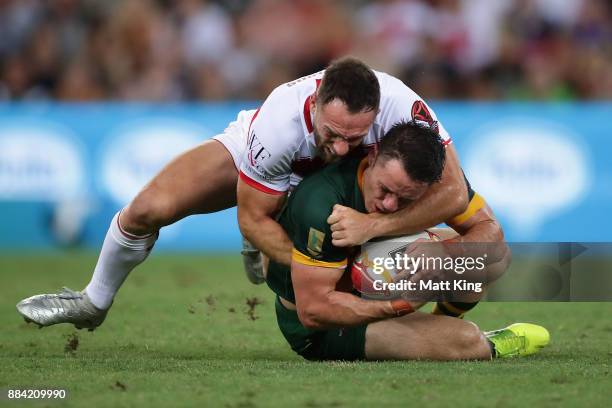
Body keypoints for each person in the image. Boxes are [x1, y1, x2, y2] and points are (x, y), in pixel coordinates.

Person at [17, 57, 469, 330]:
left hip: (354, 187)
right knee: (148, 209)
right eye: (332, 133)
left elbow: (453, 192)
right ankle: (93, 301)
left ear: (377, 115)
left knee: (481, 239)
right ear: (314, 107)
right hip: (270, 169)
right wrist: (324, 267)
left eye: (356, 137)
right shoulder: (278, 125)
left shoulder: (403, 108)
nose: (342, 147)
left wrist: (377, 225)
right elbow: (252, 216)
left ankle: (451, 315)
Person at [266, 120, 549, 361]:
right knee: (467, 341)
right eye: (385, 190)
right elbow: (314, 313)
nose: (390, 204)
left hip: (380, 273)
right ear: (373, 157)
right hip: (322, 327)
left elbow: (491, 233)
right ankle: (490, 343)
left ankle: (443, 321)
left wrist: (443, 251)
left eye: (406, 198)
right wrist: (398, 307)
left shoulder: (438, 183)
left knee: (494, 258)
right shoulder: (320, 201)